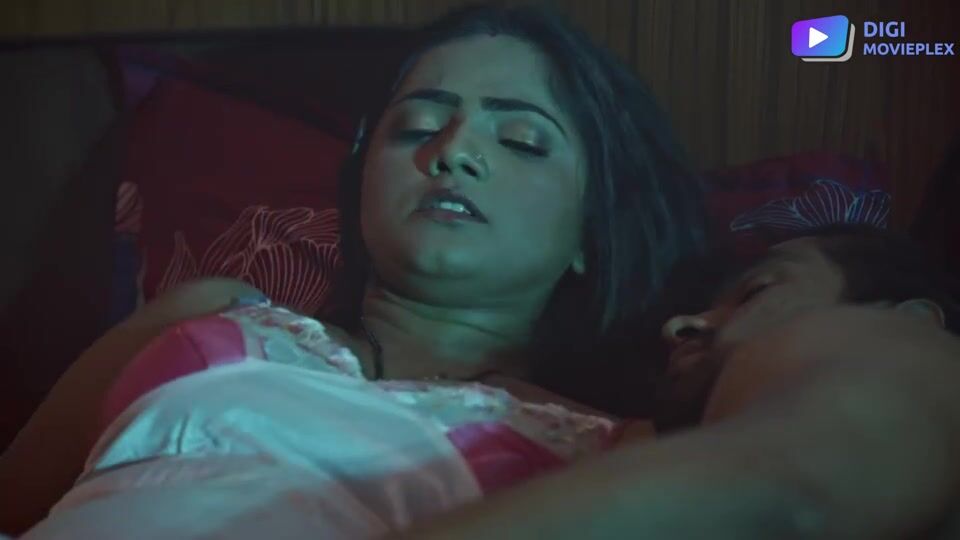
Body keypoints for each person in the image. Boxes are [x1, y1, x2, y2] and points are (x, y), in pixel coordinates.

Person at [0, 5, 703, 538]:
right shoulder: (208, 314)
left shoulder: (615, 451)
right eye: (418, 126)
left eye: (521, 140)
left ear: (591, 230)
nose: (454, 150)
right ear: (363, 182)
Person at [397, 224, 960, 539]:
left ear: (908, 321)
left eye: (757, 291)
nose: (679, 326)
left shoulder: (910, 362)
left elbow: (788, 493)